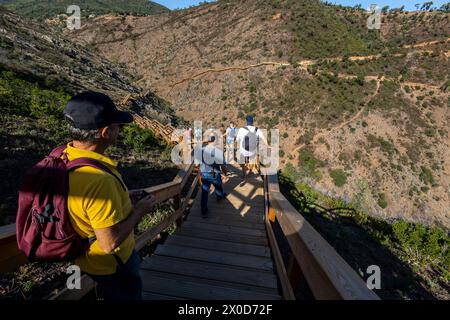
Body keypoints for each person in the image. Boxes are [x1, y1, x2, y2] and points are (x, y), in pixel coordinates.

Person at [63, 91, 157, 300]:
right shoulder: (98, 179)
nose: (119, 130)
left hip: (85, 259)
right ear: (106, 132)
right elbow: (109, 243)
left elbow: (87, 205)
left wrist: (123, 196)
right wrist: (139, 211)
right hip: (112, 263)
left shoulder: (67, 156)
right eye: (117, 126)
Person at [199, 135, 227, 218]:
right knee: (218, 185)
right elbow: (223, 166)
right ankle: (219, 197)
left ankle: (203, 210)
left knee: (205, 191)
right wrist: (225, 173)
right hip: (214, 173)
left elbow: (197, 164)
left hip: (204, 173)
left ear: (207, 141)